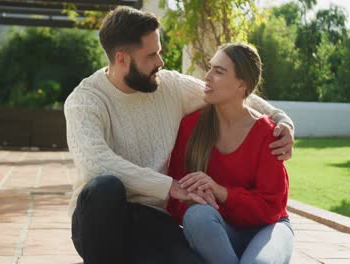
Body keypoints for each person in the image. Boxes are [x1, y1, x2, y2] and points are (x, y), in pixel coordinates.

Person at [64, 6, 295, 264]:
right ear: (121, 59)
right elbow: (96, 163)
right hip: (101, 219)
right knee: (104, 187)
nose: (160, 63)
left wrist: (280, 118)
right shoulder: (85, 101)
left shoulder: (169, 86)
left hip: (152, 221)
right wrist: (169, 186)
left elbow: (233, 95)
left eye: (159, 52)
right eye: (152, 55)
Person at [166, 43, 294, 264]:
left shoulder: (268, 133)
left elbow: (272, 208)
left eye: (219, 71)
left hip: (268, 227)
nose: (207, 77)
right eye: (210, 68)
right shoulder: (190, 126)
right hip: (218, 230)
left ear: (241, 84)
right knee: (198, 215)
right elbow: (175, 197)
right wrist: (193, 199)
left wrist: (220, 192)